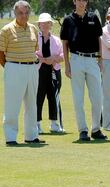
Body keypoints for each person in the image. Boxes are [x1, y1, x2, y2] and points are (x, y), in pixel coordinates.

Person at [60, 0, 107, 141]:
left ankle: (96, 129)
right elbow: (65, 43)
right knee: (78, 98)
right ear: (74, 1)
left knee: (97, 97)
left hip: (93, 59)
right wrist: (67, 65)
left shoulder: (93, 18)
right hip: (76, 59)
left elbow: (99, 39)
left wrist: (100, 58)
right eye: (79, 0)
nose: (81, 3)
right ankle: (83, 130)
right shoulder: (68, 20)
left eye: (84, 0)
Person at [0, 1, 45, 145]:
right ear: (15, 13)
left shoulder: (33, 29)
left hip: (32, 68)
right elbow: (1, 53)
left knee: (32, 104)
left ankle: (31, 135)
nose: (24, 16)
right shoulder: (6, 30)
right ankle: (11, 137)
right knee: (12, 104)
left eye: (26, 13)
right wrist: (9, 67)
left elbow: (34, 49)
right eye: (20, 13)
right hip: (14, 67)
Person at [36, 13, 65, 134]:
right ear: (39, 25)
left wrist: (53, 59)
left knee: (54, 97)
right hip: (39, 71)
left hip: (54, 70)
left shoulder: (56, 40)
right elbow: (32, 53)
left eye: (48, 22)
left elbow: (63, 56)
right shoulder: (35, 38)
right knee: (38, 97)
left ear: (51, 24)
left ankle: (54, 123)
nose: (45, 25)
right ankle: (36, 124)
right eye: (43, 23)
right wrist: (42, 60)